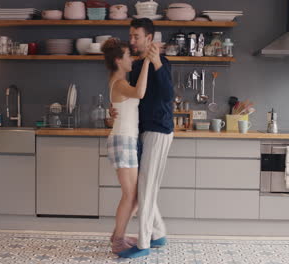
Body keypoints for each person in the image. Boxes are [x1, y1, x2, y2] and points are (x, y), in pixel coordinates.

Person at [111, 18, 174, 259]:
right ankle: (158, 233)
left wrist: (157, 62)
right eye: (131, 36)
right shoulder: (137, 66)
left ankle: (145, 242)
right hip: (142, 132)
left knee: (146, 190)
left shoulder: (162, 63)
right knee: (143, 188)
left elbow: (168, 96)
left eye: (136, 36)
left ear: (150, 38)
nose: (132, 40)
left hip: (159, 131)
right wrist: (112, 109)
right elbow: (130, 96)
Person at [101, 38, 151, 255]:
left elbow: (119, 111)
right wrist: (148, 62)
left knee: (136, 196)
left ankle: (117, 235)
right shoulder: (120, 83)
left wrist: (110, 116)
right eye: (128, 56)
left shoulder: (118, 81)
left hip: (125, 139)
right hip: (123, 140)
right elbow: (140, 93)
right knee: (130, 196)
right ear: (119, 60)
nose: (132, 59)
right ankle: (118, 239)